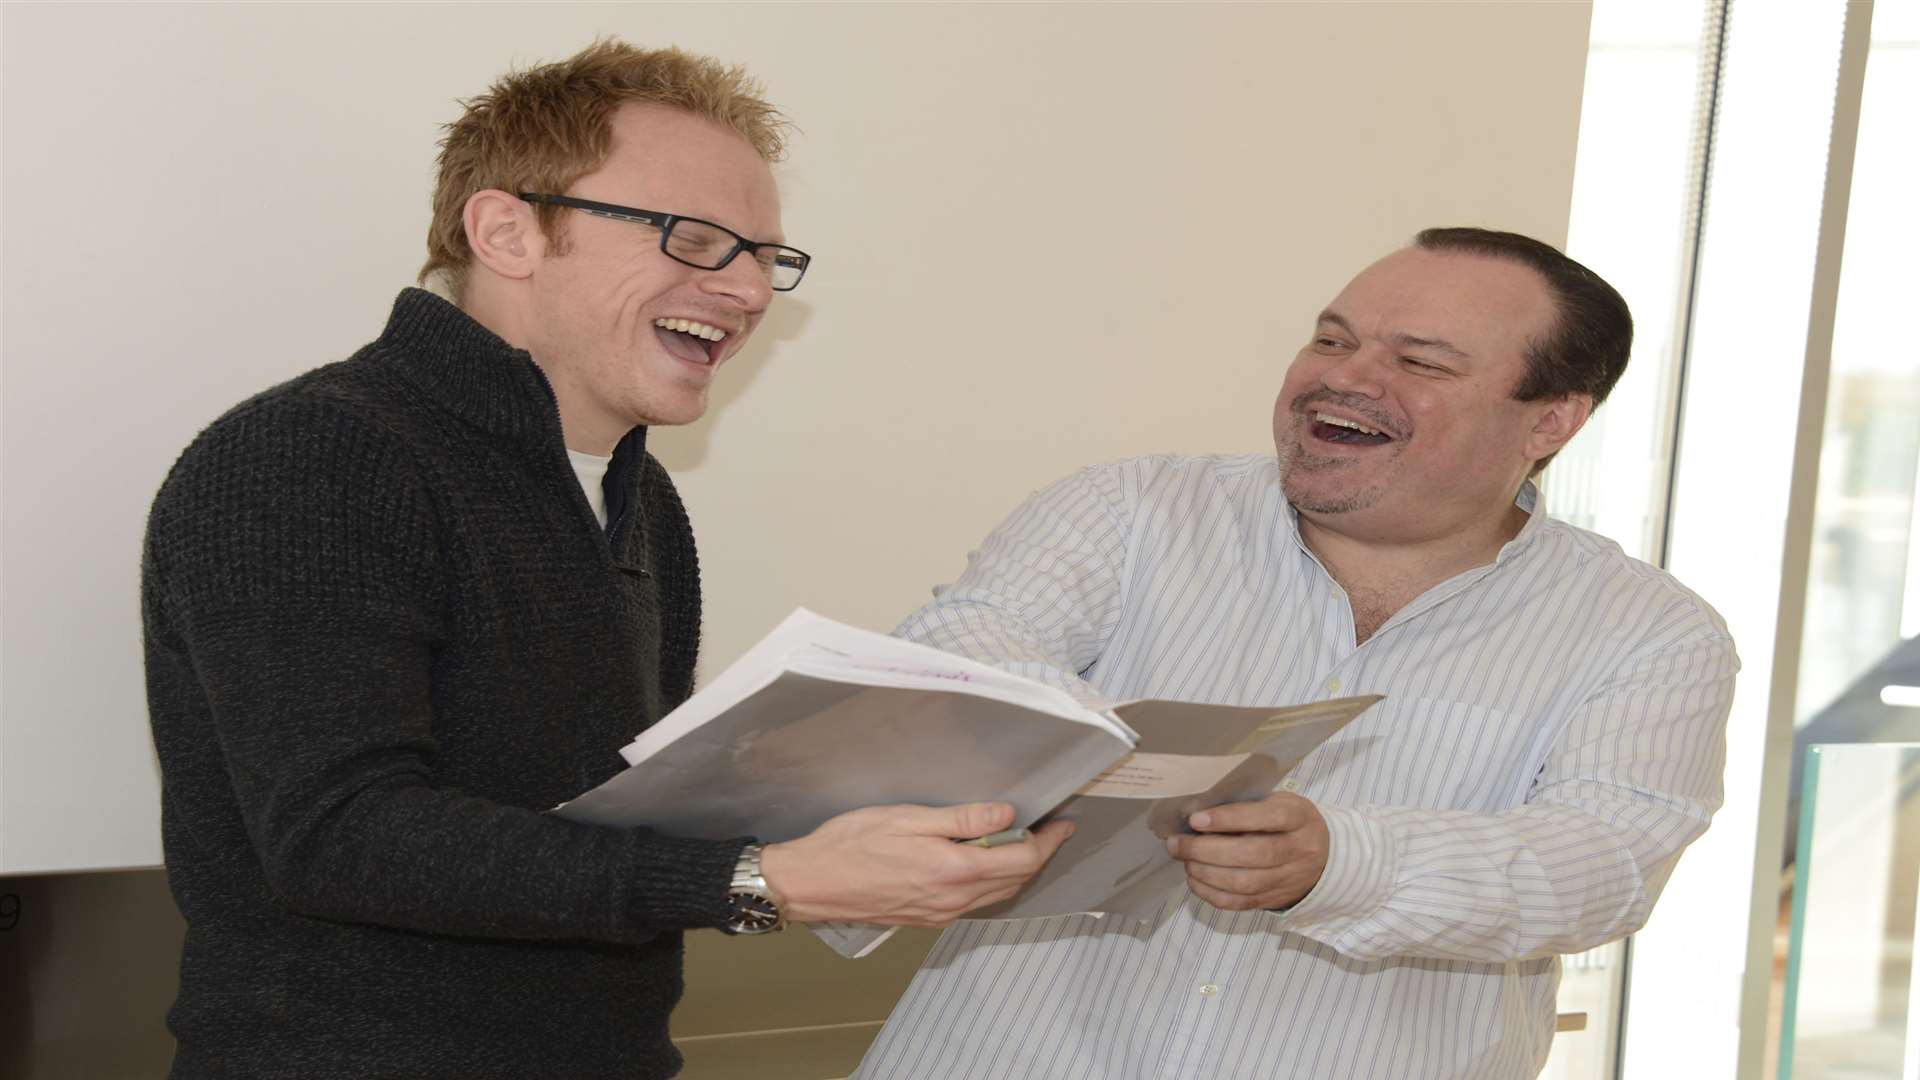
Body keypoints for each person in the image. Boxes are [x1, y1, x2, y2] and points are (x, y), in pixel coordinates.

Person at [140, 40, 1067, 1079]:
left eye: (766, 254)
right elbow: (340, 835)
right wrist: (763, 879)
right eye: (695, 238)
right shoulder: (313, 455)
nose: (750, 289)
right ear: (507, 231)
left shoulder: (641, 492)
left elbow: (590, 820)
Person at [855, 228, 1738, 1080]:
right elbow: (954, 654)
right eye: (1331, 338)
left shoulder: (1652, 632)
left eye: (1420, 362)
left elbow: (1602, 868)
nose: (1345, 378)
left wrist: (1342, 861)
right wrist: (1136, 764)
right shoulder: (1133, 511)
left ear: (1550, 421)